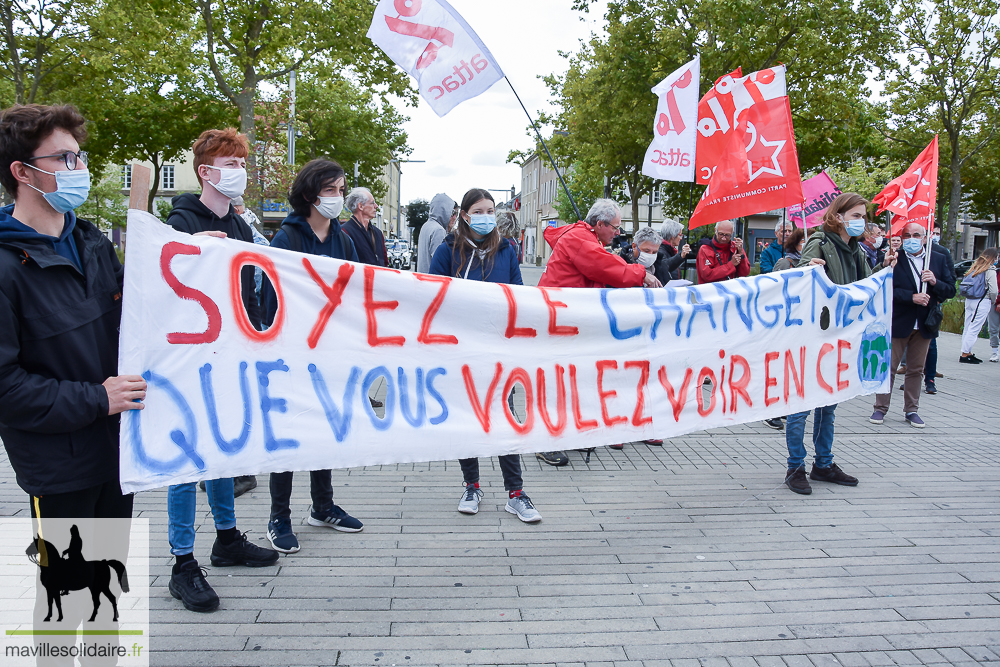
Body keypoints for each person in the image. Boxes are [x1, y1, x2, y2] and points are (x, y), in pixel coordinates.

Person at [0, 103, 142, 520]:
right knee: (70, 584)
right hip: (59, 471)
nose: (78, 166)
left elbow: (134, 321)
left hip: (119, 454)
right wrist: (98, 399)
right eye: (63, 158)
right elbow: (7, 390)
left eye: (79, 155)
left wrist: (188, 261)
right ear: (22, 172)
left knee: (109, 581)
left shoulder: (92, 243)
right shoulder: (7, 268)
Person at [165, 128, 278, 613]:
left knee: (223, 446)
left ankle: (227, 537)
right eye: (230, 163)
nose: (239, 171)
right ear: (205, 171)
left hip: (230, 351)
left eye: (242, 162)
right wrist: (189, 247)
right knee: (187, 455)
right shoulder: (180, 219)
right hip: (188, 358)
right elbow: (164, 274)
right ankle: (182, 561)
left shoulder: (241, 224)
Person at [260, 159, 364, 554]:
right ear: (309, 195)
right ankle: (278, 516)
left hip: (330, 353)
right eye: (331, 191)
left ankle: (323, 506)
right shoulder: (285, 240)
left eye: (341, 189)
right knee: (287, 435)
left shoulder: (344, 241)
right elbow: (271, 299)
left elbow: (354, 291)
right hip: (290, 354)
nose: (338, 198)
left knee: (324, 428)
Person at [429, 189, 541, 523]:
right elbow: (432, 295)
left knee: (504, 415)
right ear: (464, 215)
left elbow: (518, 294)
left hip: (498, 350)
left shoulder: (506, 249)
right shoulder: (448, 250)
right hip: (461, 350)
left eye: (491, 210)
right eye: (478, 210)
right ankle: (471, 485)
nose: (486, 216)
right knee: (468, 416)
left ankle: (516, 493)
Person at [784, 192, 897, 495]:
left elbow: (861, 289)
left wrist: (882, 268)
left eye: (864, 217)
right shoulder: (818, 242)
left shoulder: (856, 250)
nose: (862, 222)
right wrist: (809, 270)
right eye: (857, 216)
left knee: (828, 406)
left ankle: (823, 464)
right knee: (802, 407)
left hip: (839, 339)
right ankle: (795, 466)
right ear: (838, 216)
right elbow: (799, 281)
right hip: (813, 337)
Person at [536, 199, 661, 466]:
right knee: (557, 380)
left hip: (569, 320)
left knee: (570, 378)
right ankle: (545, 440)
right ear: (601, 224)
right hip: (561, 320)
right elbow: (605, 267)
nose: (618, 233)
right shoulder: (582, 240)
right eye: (615, 227)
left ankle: (567, 434)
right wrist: (642, 275)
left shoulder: (584, 237)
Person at [868, 221, 954, 429]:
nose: (912, 239)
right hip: (899, 321)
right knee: (889, 366)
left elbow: (950, 290)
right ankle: (880, 408)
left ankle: (912, 410)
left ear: (925, 238)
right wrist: (911, 297)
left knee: (916, 369)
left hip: (925, 323)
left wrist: (935, 282)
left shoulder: (939, 259)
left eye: (917, 235)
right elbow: (886, 289)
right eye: (907, 235)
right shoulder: (894, 259)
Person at [921, 222, 955, 391]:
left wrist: (938, 294)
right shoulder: (905, 255)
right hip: (911, 308)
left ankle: (930, 379)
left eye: (935, 233)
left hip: (932, 306)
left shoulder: (941, 254)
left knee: (930, 344)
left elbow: (950, 284)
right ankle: (914, 375)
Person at [958, 248, 999, 364]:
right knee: (975, 328)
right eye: (996, 257)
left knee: (967, 327)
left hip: (970, 300)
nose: (997, 260)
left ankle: (967, 352)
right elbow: (994, 290)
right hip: (982, 301)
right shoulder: (990, 270)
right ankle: (965, 354)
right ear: (993, 258)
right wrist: (993, 300)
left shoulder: (974, 268)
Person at [343, 186, 388, 267]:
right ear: (360, 206)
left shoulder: (378, 233)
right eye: (372, 203)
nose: (376, 206)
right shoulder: (345, 232)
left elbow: (385, 263)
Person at [696, 219, 750, 284]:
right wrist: (731, 265)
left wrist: (741, 254)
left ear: (732, 233)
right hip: (711, 292)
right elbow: (707, 276)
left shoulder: (736, 247)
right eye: (721, 234)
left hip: (730, 290)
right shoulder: (705, 249)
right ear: (715, 230)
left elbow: (744, 273)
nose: (724, 238)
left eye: (727, 235)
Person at [417, 193, 456, 273]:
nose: (453, 216)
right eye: (451, 212)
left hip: (422, 279)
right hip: (433, 281)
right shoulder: (439, 230)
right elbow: (441, 262)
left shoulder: (426, 225)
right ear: (444, 210)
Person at [654, 219, 691, 284]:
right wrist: (680, 256)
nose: (681, 238)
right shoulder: (660, 250)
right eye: (680, 235)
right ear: (672, 236)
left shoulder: (670, 250)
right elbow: (665, 266)